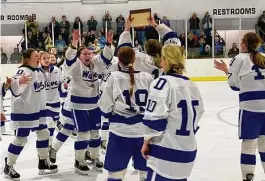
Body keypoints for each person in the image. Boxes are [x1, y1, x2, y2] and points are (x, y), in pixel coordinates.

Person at [214, 32, 265, 181]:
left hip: (252, 106)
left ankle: (247, 176)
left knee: (249, 143)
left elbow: (235, 86)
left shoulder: (238, 58)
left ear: (243, 44)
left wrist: (226, 71)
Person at [141, 43, 204, 181]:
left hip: (165, 154)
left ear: (165, 60)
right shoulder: (192, 85)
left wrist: (146, 142)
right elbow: (198, 115)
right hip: (188, 153)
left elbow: (155, 121)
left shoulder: (162, 83)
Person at [98, 46, 153, 181]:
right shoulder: (148, 77)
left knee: (115, 175)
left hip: (120, 132)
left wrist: (110, 115)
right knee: (146, 174)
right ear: (134, 59)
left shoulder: (114, 77)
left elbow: (105, 107)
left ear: (118, 60)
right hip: (143, 132)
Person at [4, 49, 58, 181]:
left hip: (38, 110)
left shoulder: (38, 71)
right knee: (21, 139)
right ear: (27, 58)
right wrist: (19, 82)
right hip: (24, 111)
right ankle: (9, 166)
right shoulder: (22, 71)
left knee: (44, 133)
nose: (38, 58)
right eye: (35, 56)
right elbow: (14, 89)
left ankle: (43, 162)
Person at [64, 30, 110, 174]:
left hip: (94, 105)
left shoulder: (95, 63)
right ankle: (79, 160)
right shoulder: (75, 65)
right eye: (84, 54)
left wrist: (108, 44)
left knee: (95, 133)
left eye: (90, 53)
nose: (88, 55)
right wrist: (74, 42)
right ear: (79, 56)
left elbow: (106, 58)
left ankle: (95, 158)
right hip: (79, 106)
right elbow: (69, 57)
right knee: (83, 134)